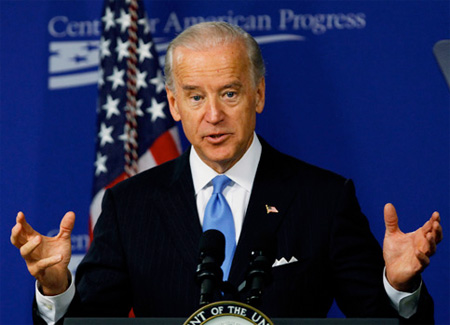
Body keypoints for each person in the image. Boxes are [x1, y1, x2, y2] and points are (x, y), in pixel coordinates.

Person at [11, 22, 442, 324]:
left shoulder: (323, 198)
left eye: (229, 93)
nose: (213, 115)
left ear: (258, 94)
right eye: (195, 97)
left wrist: (399, 288)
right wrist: (55, 290)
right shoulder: (129, 205)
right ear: (174, 105)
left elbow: (381, 322)